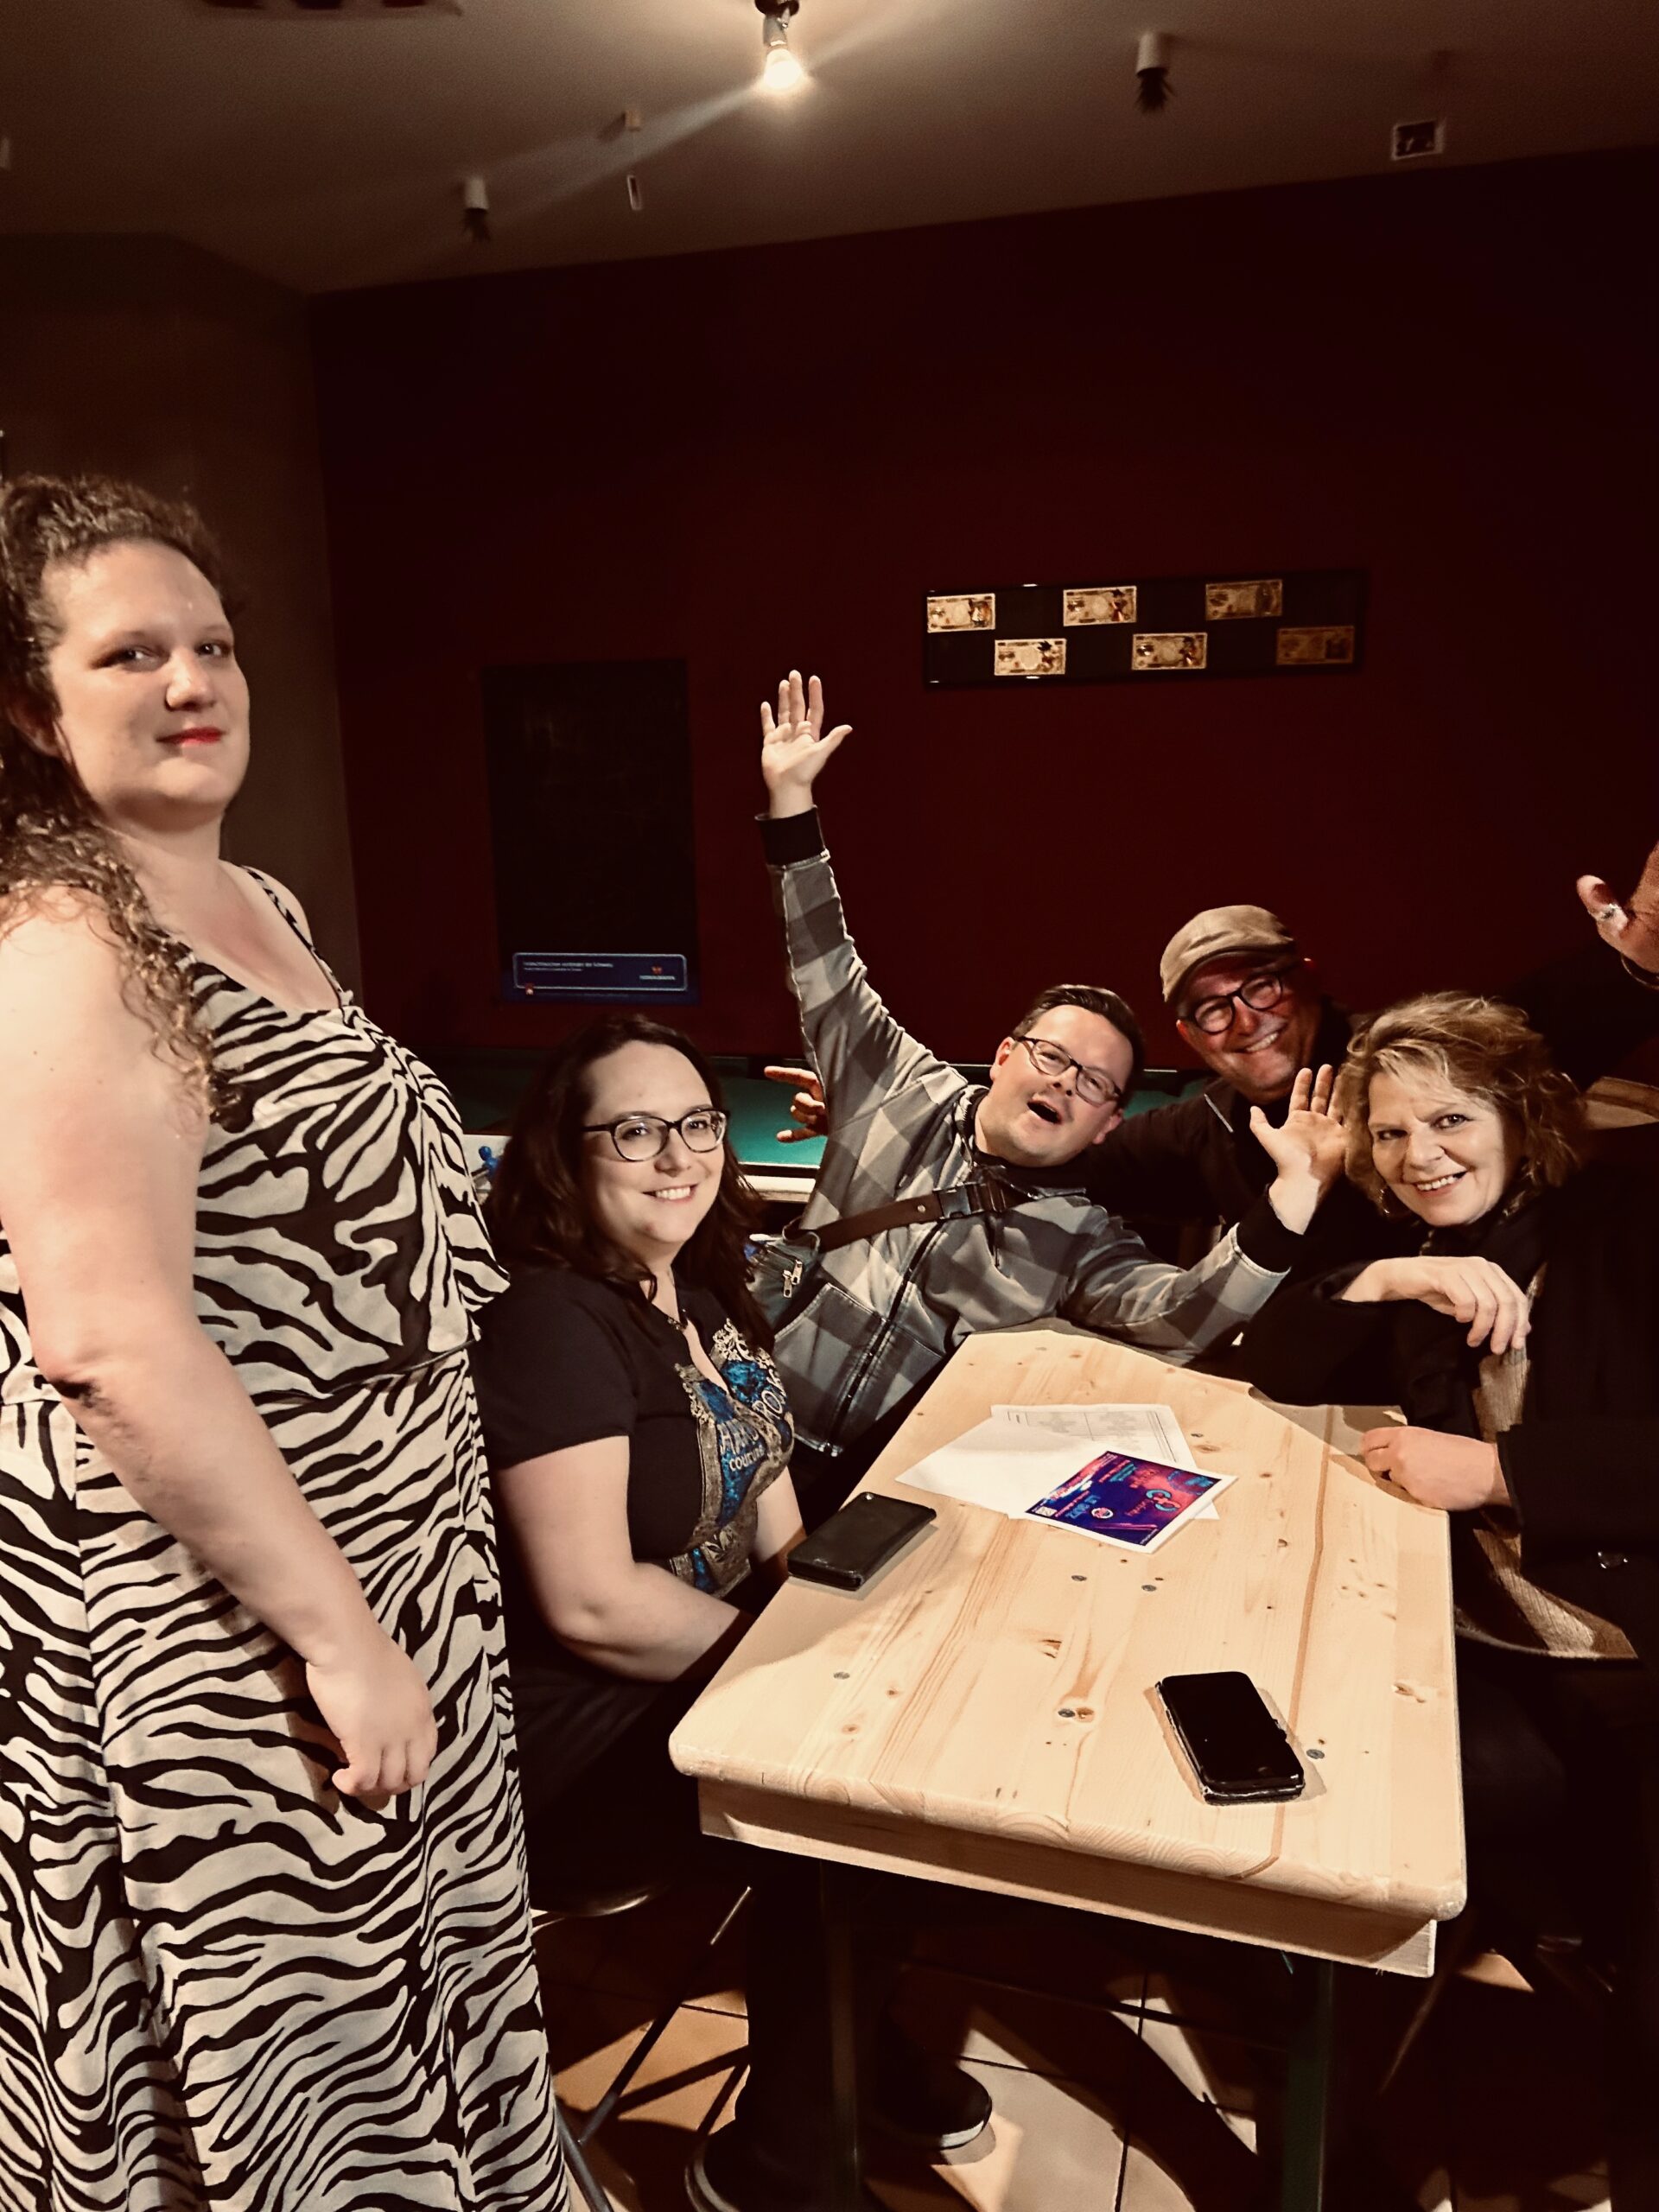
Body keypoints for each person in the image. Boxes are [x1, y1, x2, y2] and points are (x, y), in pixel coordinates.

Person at [0, 477, 564, 2208]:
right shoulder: (66, 949)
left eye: (213, 645)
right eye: (130, 655)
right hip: (229, 1613)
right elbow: (110, 1341)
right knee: (299, 2045)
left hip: (387, 1551)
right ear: (31, 708)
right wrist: (340, 1638)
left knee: (419, 1987)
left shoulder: (259, 897)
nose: (192, 682)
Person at [472, 1014, 992, 2212]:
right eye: (634, 1131)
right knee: (854, 1816)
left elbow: (768, 1493)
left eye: (696, 1124)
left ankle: (840, 2045)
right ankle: (780, 2167)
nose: (678, 1156)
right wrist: (799, 1666)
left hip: (700, 1660)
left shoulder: (702, 1291)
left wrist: (835, 1620)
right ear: (565, 1153)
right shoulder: (554, 1321)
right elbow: (594, 1603)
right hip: (575, 1736)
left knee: (908, 1738)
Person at [1239, 993, 1659, 2207]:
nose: (1419, 1155)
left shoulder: (1627, 1228)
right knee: (1340, 1857)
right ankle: (1328, 2167)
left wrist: (1503, 1472)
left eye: (1450, 1120)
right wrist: (1389, 1273)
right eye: (1390, 1133)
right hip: (1481, 1655)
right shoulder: (1426, 1256)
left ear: (1520, 1118)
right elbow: (1271, 1360)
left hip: (1633, 1655)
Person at [753, 671, 1345, 1509]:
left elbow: (1182, 1315)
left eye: (1095, 1083)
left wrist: (1291, 1199)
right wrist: (791, 803)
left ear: (1107, 1124)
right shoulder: (897, 1087)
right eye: (1052, 1056)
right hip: (751, 1428)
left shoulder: (1081, 1238)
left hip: (876, 1494)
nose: (1066, 1082)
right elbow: (825, 963)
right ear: (1003, 1055)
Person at [769, 862, 1659, 1290]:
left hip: (1485, 1361)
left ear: (1303, 976)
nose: (1245, 1020)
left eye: (1259, 985)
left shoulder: (1401, 1059)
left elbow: (1532, 1025)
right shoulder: (1205, 1126)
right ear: (1189, 1037)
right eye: (1209, 1008)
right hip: (1315, 1373)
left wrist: (1637, 966)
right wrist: (891, 1115)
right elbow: (1055, 1141)